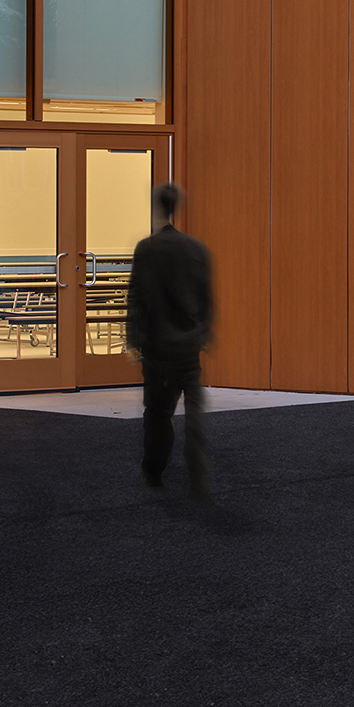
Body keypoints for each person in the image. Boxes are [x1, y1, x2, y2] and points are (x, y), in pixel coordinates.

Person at [125, 181, 214, 499]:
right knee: (194, 410)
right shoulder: (196, 249)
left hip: (158, 347)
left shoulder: (147, 248)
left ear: (157, 208)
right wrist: (205, 334)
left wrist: (132, 340)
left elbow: (136, 298)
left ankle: (153, 471)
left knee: (158, 412)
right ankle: (198, 470)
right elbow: (206, 297)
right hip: (188, 346)